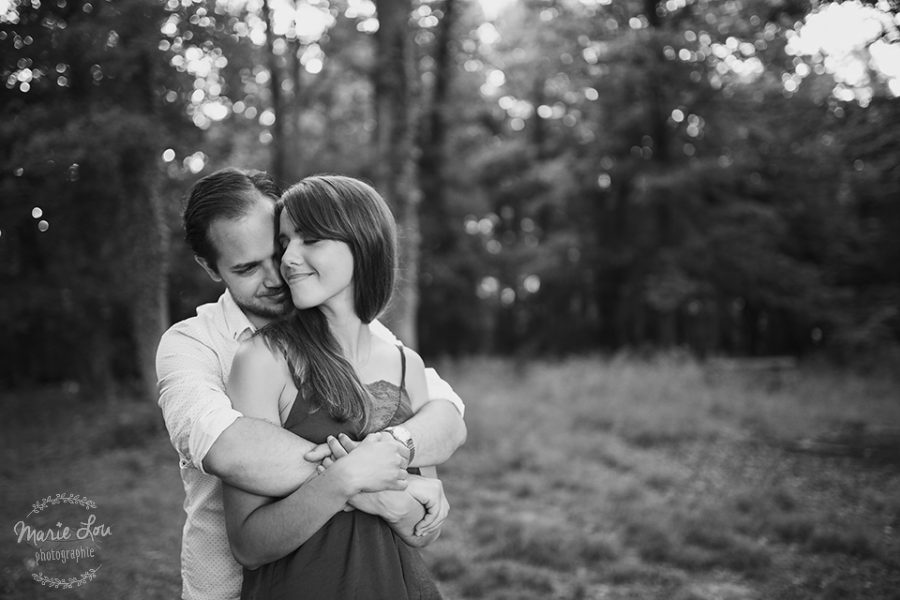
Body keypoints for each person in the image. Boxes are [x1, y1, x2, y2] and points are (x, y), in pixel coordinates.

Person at [156, 168, 466, 600]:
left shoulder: (377, 342)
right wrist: (369, 478)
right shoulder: (194, 345)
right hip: (239, 586)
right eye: (247, 267)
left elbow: (445, 409)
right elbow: (226, 446)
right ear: (210, 268)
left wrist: (390, 465)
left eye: (279, 247)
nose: (280, 271)